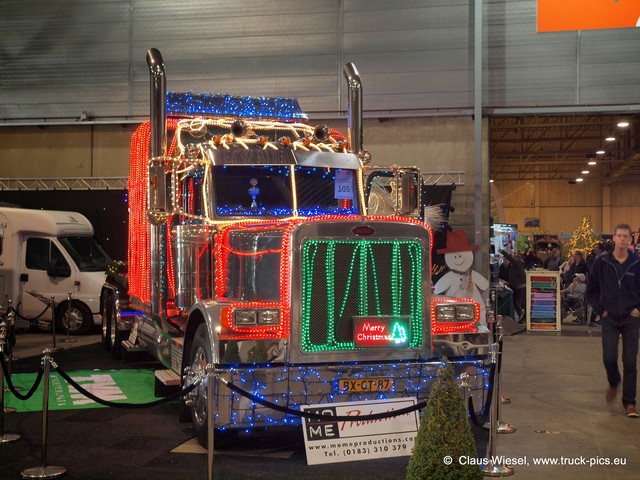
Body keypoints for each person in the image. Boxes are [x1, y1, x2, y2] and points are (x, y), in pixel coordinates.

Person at [586, 224, 640, 418]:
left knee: (630, 361)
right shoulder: (602, 263)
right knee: (609, 357)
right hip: (609, 317)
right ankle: (614, 381)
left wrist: (638, 310)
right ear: (614, 238)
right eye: (619, 236)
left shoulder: (637, 263)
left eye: (626, 236)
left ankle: (630, 403)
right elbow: (591, 289)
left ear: (630, 239)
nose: (623, 239)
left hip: (631, 318)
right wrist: (601, 310)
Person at [499, 249, 527, 323]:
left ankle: (523, 316)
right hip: (518, 286)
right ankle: (522, 315)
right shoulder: (516, 265)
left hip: (520, 286)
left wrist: (503, 252)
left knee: (520, 302)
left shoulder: (518, 263)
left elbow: (510, 258)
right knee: (517, 301)